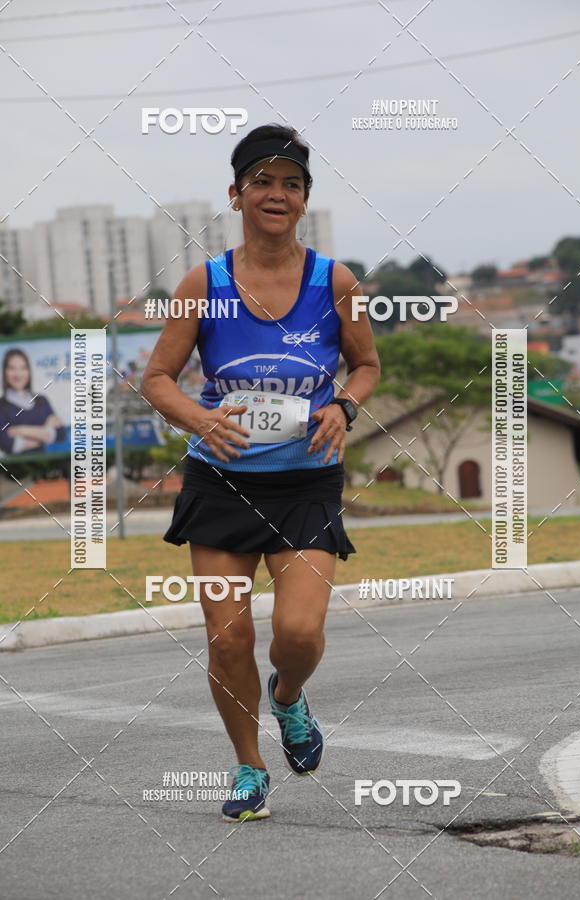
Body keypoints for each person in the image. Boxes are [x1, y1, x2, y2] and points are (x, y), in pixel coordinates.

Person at [141, 123, 380, 822]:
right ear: (237, 193)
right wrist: (201, 420)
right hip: (222, 480)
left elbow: (367, 365)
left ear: (305, 199)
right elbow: (157, 378)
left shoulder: (334, 281)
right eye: (263, 182)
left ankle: (289, 698)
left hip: (306, 480)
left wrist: (344, 405)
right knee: (227, 637)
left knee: (298, 634)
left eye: (292, 184)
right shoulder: (204, 283)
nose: (277, 194)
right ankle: (249, 768)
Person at [0, 348, 65, 456]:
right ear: (4, 372)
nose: (18, 374)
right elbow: (9, 445)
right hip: (16, 465)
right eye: (12, 368)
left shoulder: (42, 401)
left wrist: (22, 430)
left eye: (23, 368)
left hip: (47, 463)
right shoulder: (1, 406)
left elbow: (60, 434)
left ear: (28, 371)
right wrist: (46, 432)